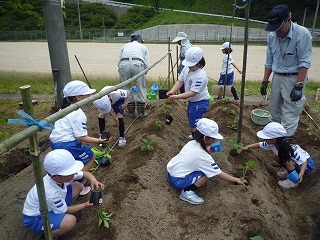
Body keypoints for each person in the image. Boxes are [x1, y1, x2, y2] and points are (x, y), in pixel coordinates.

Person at [22, 149, 104, 239]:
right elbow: (65, 210)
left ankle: (60, 213)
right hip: (36, 217)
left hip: (50, 205)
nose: (73, 174)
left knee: (77, 186)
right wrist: (85, 205)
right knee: (70, 221)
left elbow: (85, 174)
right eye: (70, 173)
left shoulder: (60, 176)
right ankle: (49, 236)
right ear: (54, 176)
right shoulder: (50, 192)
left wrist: (94, 180)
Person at [260, 4, 312, 142]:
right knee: (274, 110)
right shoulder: (272, 36)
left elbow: (304, 62)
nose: (277, 31)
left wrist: (299, 85)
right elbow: (269, 61)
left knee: (290, 112)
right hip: (277, 77)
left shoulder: (302, 34)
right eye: (274, 28)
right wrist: (265, 81)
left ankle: (285, 148)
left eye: (279, 27)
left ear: (288, 20)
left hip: (294, 78)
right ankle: (274, 141)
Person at [167, 118, 247, 205]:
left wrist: (207, 151)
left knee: (205, 168)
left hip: (172, 170)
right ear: (206, 138)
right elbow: (218, 173)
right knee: (207, 173)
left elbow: (197, 156)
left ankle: (189, 184)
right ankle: (187, 192)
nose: (215, 140)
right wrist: (236, 180)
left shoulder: (191, 143)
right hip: (178, 180)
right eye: (213, 138)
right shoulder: (203, 157)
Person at [49, 80, 110, 173]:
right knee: (91, 157)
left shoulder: (64, 108)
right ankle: (78, 179)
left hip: (54, 142)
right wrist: (99, 140)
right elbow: (81, 137)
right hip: (68, 144)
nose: (90, 97)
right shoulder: (78, 114)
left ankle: (70, 177)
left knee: (70, 162)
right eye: (88, 95)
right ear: (78, 97)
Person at [242, 122, 315, 189]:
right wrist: (247, 147)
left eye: (266, 138)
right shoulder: (272, 144)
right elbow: (259, 145)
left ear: (273, 140)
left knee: (288, 162)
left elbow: (304, 161)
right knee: (275, 157)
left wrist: (301, 173)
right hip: (296, 163)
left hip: (306, 166)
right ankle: (290, 172)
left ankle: (293, 181)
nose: (263, 139)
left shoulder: (291, 150)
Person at [167, 46, 210, 140]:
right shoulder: (186, 69)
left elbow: (192, 93)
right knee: (192, 119)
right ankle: (195, 135)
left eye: (192, 65)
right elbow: (180, 81)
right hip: (193, 101)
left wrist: (177, 96)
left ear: (199, 63)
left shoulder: (201, 76)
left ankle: (197, 139)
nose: (189, 66)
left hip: (200, 101)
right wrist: (172, 91)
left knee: (194, 121)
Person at [118, 33, 149, 117]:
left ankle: (131, 112)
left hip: (123, 64)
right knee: (140, 87)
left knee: (125, 88)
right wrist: (145, 72)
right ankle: (141, 112)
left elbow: (118, 61)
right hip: (137, 64)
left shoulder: (124, 46)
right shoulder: (143, 47)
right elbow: (146, 63)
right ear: (139, 40)